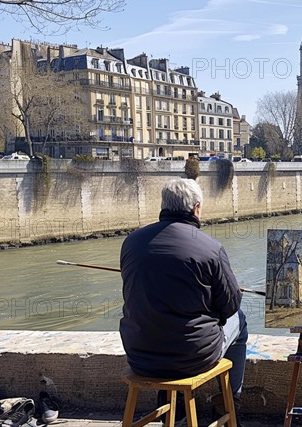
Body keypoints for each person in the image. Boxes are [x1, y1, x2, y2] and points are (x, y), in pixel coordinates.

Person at [119, 177, 248, 421]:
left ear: (164, 205)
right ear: (196, 208)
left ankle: (173, 411)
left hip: (140, 357)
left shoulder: (131, 243)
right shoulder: (210, 248)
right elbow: (230, 306)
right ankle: (228, 403)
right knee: (240, 320)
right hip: (192, 360)